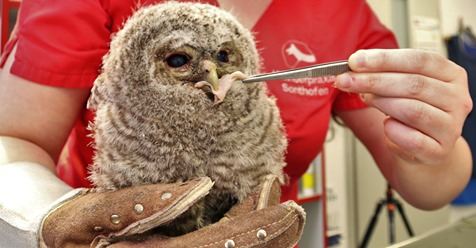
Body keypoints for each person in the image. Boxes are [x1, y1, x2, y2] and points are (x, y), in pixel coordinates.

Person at [0, 0, 472, 246]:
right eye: (181, 58)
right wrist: (58, 221)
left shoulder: (343, 13)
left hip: (260, 239)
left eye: (225, 59)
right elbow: (10, 140)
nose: (212, 73)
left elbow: (430, 189)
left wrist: (432, 136)